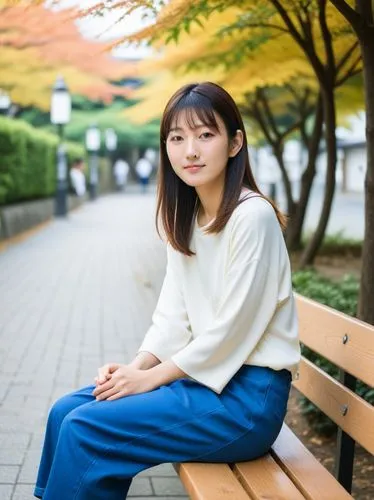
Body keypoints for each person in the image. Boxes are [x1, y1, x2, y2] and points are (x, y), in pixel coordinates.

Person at [34, 82, 300, 500]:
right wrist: (136, 370)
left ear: (235, 143)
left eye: (205, 135)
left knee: (86, 429)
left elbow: (231, 331)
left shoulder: (253, 218)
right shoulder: (189, 218)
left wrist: (153, 378)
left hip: (246, 402)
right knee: (66, 411)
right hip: (204, 382)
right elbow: (172, 317)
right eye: (177, 138)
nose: (190, 150)